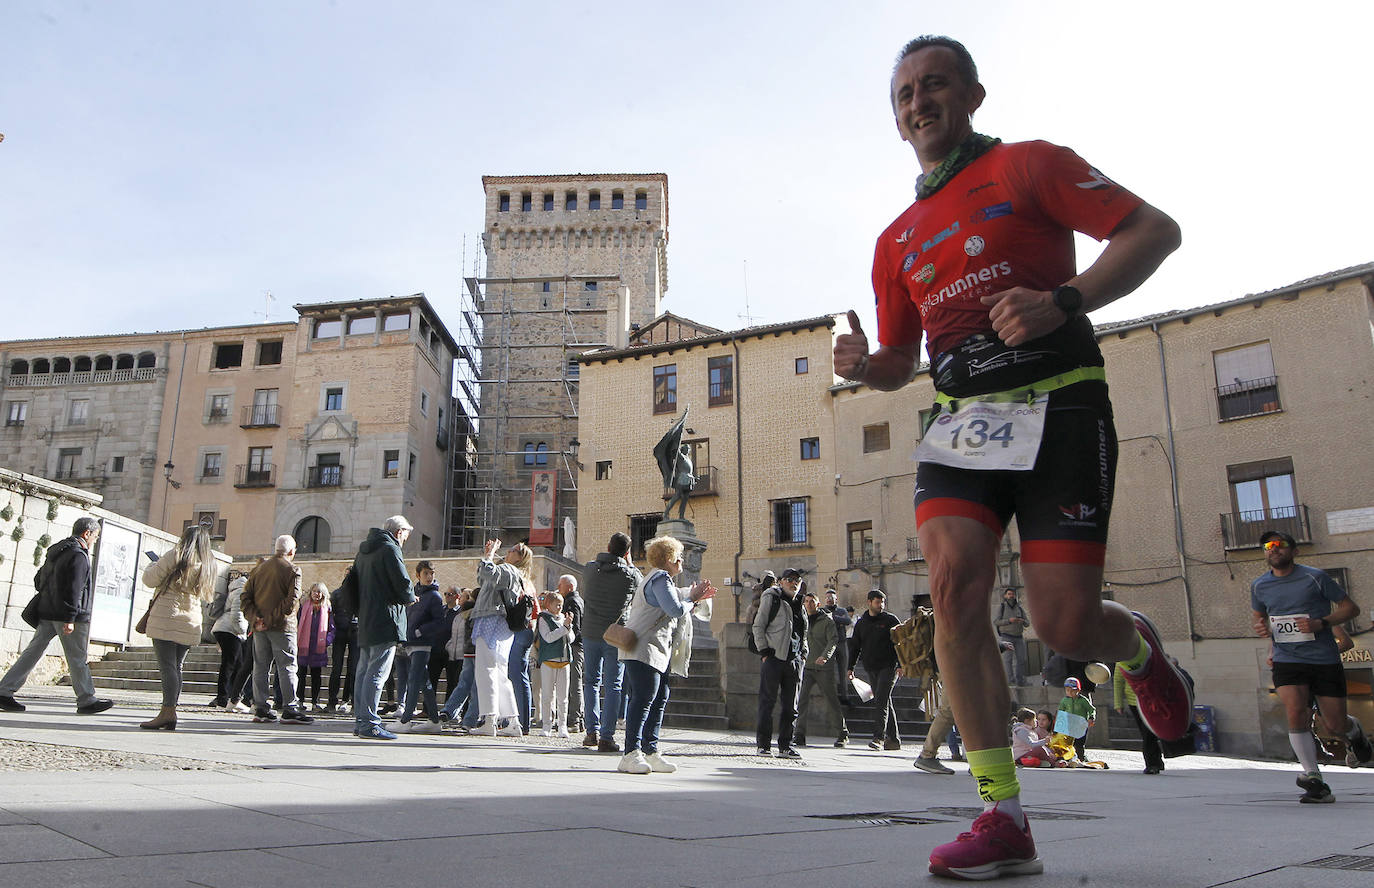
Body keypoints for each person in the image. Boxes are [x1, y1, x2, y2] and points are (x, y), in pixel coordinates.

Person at [833, 34, 1189, 879]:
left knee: (1065, 624)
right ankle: (1003, 813)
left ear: (973, 96)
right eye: (906, 93)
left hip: (1062, 401)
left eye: (936, 85)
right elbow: (898, 361)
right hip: (963, 420)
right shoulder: (894, 241)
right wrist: (865, 367)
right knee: (953, 585)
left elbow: (1154, 231)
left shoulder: (1030, 165)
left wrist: (1062, 299)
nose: (920, 102)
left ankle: (1132, 643)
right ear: (897, 119)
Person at [1250, 529, 1372, 803]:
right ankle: (1313, 776)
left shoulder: (1314, 578)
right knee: (1295, 710)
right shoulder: (1259, 585)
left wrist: (1322, 623)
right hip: (1287, 659)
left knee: (1335, 724)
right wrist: (1260, 626)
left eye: (1280, 544)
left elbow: (1351, 608)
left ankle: (1355, 733)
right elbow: (1260, 617)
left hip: (1322, 659)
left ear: (1294, 550)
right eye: (1268, 545)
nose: (1273, 548)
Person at [617, 535, 715, 774]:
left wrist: (691, 596)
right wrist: (692, 599)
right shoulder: (660, 578)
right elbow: (674, 608)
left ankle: (650, 751)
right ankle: (631, 753)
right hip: (644, 648)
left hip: (655, 650)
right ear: (670, 559)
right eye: (679, 556)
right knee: (643, 699)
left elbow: (674, 599)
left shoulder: (662, 580)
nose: (682, 560)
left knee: (658, 697)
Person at [0, 517, 114, 716]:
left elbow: (39, 580)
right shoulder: (79, 555)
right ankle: (87, 699)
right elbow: (75, 589)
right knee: (78, 657)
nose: (95, 540)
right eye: (95, 536)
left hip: (48, 612)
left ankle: (4, 690)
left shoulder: (57, 551)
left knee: (32, 652)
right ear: (86, 534)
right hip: (70, 616)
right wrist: (70, 618)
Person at [139, 526, 220, 730]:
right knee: (177, 666)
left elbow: (149, 580)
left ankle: (168, 711)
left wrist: (154, 565)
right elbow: (208, 596)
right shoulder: (209, 565)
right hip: (191, 618)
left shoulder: (176, 555)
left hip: (167, 616)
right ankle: (170, 710)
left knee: (167, 667)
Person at [351, 516, 417, 740]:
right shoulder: (390, 549)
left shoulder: (364, 551)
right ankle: (370, 723)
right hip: (386, 618)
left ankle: (361, 721)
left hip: (366, 616)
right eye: (406, 536)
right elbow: (402, 581)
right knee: (377, 673)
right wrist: (410, 597)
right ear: (399, 532)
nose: (405, 541)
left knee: (363, 671)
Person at [241, 534, 313, 726]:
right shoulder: (293, 570)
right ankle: (290, 708)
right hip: (282, 626)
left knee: (261, 666)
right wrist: (270, 620)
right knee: (287, 665)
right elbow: (291, 602)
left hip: (259, 627)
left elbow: (245, 597)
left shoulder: (258, 569)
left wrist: (257, 619)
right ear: (291, 551)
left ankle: (261, 707)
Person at [581, 532, 642, 752]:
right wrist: (630, 564)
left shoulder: (590, 569)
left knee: (591, 681)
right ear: (627, 553)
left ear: (607, 547)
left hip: (590, 632)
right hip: (616, 634)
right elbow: (640, 586)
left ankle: (591, 731)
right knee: (614, 685)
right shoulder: (631, 575)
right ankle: (607, 736)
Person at [471, 539, 532, 737]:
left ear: (520, 557)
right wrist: (488, 557)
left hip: (490, 619)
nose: (508, 550)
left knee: (486, 670)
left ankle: (489, 719)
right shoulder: (516, 574)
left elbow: (488, 574)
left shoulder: (507, 569)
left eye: (514, 549)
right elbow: (484, 578)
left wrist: (489, 555)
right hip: (502, 625)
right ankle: (512, 721)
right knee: (499, 672)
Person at [753, 567, 807, 758]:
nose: (794, 583)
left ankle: (786, 745)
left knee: (791, 706)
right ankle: (763, 745)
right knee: (767, 702)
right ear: (781, 581)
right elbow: (758, 625)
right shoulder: (772, 597)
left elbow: (803, 632)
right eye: (790, 580)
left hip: (794, 660)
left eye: (798, 580)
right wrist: (765, 651)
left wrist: (804, 654)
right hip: (774, 658)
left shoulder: (800, 603)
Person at [392, 560, 445, 733]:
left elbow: (439, 622)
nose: (429, 577)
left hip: (422, 643)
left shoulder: (435, 597)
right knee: (424, 681)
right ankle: (435, 721)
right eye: (426, 573)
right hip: (411, 642)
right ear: (418, 575)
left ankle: (406, 720)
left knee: (414, 680)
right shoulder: (414, 593)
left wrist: (419, 632)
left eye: (432, 573)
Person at [848, 589, 902, 751]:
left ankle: (878, 737)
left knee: (881, 700)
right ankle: (893, 740)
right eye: (878, 602)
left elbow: (900, 643)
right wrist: (850, 667)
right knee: (884, 701)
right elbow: (855, 646)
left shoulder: (890, 620)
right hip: (871, 667)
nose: (881, 606)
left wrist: (901, 664)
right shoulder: (861, 623)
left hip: (889, 666)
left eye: (883, 602)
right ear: (869, 602)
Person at [795, 590, 848, 748]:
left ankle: (842, 733)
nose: (809, 604)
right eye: (807, 601)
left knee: (832, 700)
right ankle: (799, 734)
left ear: (818, 604)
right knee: (801, 700)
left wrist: (825, 656)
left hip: (824, 667)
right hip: (806, 666)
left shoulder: (827, 620)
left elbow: (833, 640)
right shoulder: (801, 619)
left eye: (813, 601)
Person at [439, 588, 481, 729]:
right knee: (475, 687)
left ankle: (449, 710)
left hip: (467, 652)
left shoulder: (463, 615)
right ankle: (470, 719)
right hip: (477, 652)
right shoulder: (479, 614)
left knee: (463, 683)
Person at [212, 567, 252, 713]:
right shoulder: (242, 588)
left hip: (223, 627)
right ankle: (223, 699)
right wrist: (241, 631)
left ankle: (231, 698)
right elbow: (237, 611)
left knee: (236, 664)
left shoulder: (235, 587)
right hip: (231, 629)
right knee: (230, 665)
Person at [536, 590, 575, 738]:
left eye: (561, 605)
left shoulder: (562, 619)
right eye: (556, 605)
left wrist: (568, 628)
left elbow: (570, 638)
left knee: (563, 697)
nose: (559, 608)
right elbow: (548, 638)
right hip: (549, 661)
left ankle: (562, 725)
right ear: (548, 604)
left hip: (564, 661)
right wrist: (564, 629)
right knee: (547, 695)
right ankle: (547, 725)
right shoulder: (543, 619)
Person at [506, 569, 540, 734]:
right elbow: (536, 610)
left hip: (519, 630)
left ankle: (520, 721)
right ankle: (522, 721)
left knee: (516, 676)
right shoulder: (528, 583)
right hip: (526, 629)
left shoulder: (518, 581)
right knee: (520, 676)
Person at [1114, 663, 1162, 774]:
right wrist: (1118, 703)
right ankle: (1154, 762)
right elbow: (1118, 680)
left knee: (1149, 732)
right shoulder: (1122, 658)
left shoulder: (1148, 653)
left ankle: (1153, 763)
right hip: (1134, 701)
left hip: (1151, 699)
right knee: (1146, 732)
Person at [325, 570, 359, 714]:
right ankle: (333, 700)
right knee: (338, 668)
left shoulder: (358, 593)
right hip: (341, 632)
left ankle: (348, 700)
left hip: (354, 631)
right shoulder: (338, 593)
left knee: (353, 668)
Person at [295, 583, 333, 712]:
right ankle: (299, 700)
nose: (317, 594)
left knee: (316, 675)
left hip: (318, 646)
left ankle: (315, 701)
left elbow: (331, 627)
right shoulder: (303, 606)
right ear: (310, 592)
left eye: (320, 592)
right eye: (315, 591)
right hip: (304, 645)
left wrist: (327, 641)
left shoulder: (327, 608)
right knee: (301, 673)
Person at [557, 574, 585, 733]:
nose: (558, 587)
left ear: (569, 586)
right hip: (578, 645)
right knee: (574, 682)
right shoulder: (577, 600)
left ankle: (574, 719)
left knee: (574, 682)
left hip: (574, 645)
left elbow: (576, 626)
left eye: (561, 585)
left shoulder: (572, 602)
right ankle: (576, 718)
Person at [429, 586, 464, 701]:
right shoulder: (441, 610)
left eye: (450, 594)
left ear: (457, 596)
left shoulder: (460, 613)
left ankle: (448, 709)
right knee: (431, 679)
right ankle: (428, 708)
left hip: (451, 652)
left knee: (452, 681)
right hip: (436, 649)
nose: (447, 596)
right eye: (446, 594)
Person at [822, 589, 854, 705]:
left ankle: (845, 696)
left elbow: (847, 620)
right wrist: (836, 621)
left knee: (843, 670)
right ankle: (832, 696)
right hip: (828, 643)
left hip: (841, 642)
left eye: (832, 598)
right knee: (829, 670)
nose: (830, 600)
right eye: (828, 598)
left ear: (836, 599)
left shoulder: (841, 611)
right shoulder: (822, 611)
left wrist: (833, 619)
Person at [995, 588, 1031, 687]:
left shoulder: (1019, 608)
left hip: (1019, 637)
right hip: (1006, 637)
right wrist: (1009, 621)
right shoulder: (1002, 607)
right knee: (1007, 659)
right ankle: (1010, 681)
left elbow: (1027, 623)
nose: (1011, 596)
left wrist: (1022, 621)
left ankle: (1020, 681)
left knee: (1022, 659)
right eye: (1009, 594)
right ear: (1005, 596)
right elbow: (996, 622)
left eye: (1013, 594)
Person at [1057, 678, 1095, 761]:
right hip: (1069, 725)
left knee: (1080, 743)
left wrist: (1091, 718)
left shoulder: (1083, 700)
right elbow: (1061, 712)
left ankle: (1080, 757)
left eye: (1073, 691)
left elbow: (1091, 709)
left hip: (1081, 725)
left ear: (1078, 690)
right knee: (1067, 742)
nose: (1070, 693)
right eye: (1067, 690)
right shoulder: (1064, 701)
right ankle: (1066, 757)